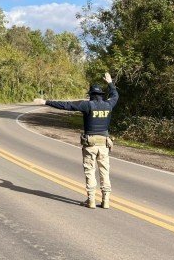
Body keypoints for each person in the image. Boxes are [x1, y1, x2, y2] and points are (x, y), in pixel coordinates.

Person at [34, 73, 119, 209]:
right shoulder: (108, 105)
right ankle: (106, 200)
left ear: (91, 95)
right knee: (104, 171)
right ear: (102, 95)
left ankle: (91, 200)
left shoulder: (87, 105)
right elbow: (115, 95)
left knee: (90, 171)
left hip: (90, 144)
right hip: (104, 144)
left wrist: (46, 102)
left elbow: (67, 105)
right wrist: (110, 83)